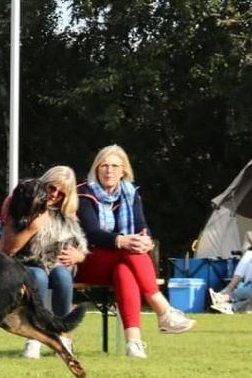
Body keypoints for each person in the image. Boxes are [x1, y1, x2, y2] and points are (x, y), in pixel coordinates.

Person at [75, 145, 195, 359]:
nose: (109, 171)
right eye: (104, 166)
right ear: (96, 169)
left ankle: (134, 344)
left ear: (123, 171)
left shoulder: (131, 194)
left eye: (114, 166)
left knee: (125, 270)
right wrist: (121, 240)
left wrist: (145, 240)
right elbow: (92, 232)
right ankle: (163, 310)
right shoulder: (84, 193)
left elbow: (142, 225)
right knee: (130, 250)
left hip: (123, 259)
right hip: (87, 260)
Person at [0, 166, 87, 359]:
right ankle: (34, 336)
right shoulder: (18, 201)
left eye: (61, 193)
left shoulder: (67, 211)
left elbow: (79, 242)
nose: (54, 195)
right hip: (24, 260)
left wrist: (79, 256)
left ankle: (63, 336)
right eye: (51, 188)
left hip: (56, 260)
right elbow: (8, 250)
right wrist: (34, 227)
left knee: (63, 277)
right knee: (38, 277)